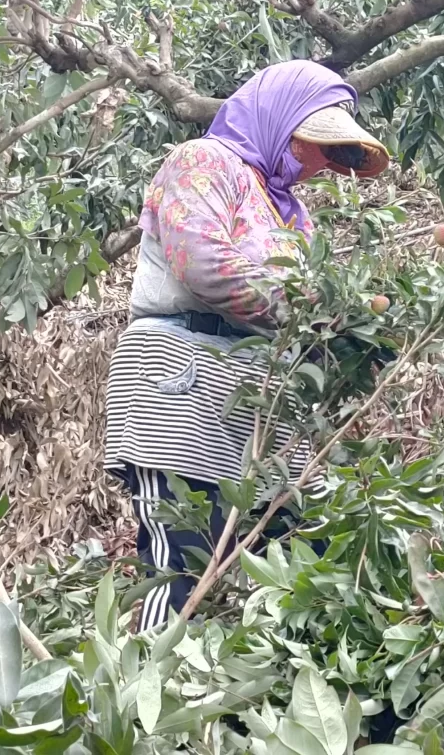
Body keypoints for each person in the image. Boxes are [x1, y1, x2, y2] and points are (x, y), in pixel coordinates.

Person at [104, 60, 390, 632]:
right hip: (180, 389)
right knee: (183, 566)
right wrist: (315, 312)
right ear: (277, 120)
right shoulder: (202, 163)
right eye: (312, 144)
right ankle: (149, 709)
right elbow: (205, 265)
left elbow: (312, 302)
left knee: (263, 575)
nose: (315, 165)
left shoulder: (291, 212)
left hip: (255, 408)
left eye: (327, 155)